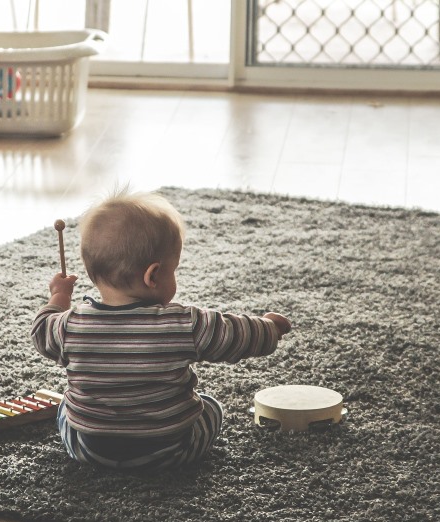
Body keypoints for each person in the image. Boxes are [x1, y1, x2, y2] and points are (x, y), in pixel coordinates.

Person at [32, 190, 292, 470]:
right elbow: (237, 334)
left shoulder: (69, 326)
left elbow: (41, 330)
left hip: (89, 449)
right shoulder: (184, 324)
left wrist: (59, 296)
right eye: (173, 270)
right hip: (170, 450)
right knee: (211, 406)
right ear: (153, 275)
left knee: (65, 407)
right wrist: (270, 328)